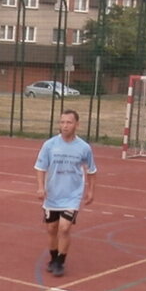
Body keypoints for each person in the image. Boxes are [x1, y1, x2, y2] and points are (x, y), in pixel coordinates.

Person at [34, 109, 97, 277]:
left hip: (72, 196)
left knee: (64, 227)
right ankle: (53, 258)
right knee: (52, 228)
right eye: (62, 122)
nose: (65, 126)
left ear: (77, 125)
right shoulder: (49, 145)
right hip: (52, 195)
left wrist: (90, 191)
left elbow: (92, 170)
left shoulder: (84, 148)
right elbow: (40, 168)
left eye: (69, 122)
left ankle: (60, 262)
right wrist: (40, 187)